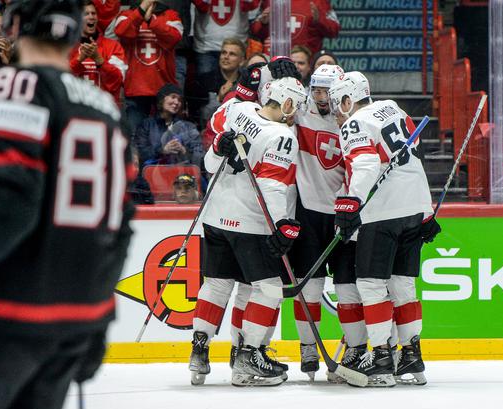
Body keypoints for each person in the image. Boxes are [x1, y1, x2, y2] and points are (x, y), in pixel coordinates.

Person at [0, 1, 134, 409]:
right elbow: (121, 223)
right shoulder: (105, 105)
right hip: (76, 316)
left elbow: (11, 202)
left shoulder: (13, 83)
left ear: (14, 27)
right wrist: (100, 319)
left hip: (13, 306)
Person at [189, 76, 307, 387]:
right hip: (251, 223)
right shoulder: (282, 136)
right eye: (295, 106)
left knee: (215, 285)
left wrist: (217, 146)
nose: (294, 113)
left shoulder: (236, 110)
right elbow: (271, 183)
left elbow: (210, 163)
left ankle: (199, 353)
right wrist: (281, 223)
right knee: (268, 288)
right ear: (287, 102)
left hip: (215, 216)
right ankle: (249, 357)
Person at [328, 71, 440, 387]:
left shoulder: (354, 123)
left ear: (348, 100)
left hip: (383, 213)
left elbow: (364, 165)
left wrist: (351, 203)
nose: (338, 111)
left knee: (371, 284)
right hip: (414, 206)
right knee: (403, 284)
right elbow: (413, 156)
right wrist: (426, 210)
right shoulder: (394, 108)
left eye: (339, 104)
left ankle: (379, 358)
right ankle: (411, 355)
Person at [288, 64, 367, 381]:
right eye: (316, 90)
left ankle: (355, 350)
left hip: (343, 215)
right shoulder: (300, 115)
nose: (321, 97)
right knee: (310, 287)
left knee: (348, 287)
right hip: (307, 212)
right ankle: (308, 347)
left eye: (327, 91)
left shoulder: (354, 123)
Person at [114, 0, 183, 136]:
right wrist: (142, 10)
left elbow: (175, 37)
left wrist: (151, 19)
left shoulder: (171, 15)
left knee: (166, 140)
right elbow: (121, 31)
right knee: (134, 138)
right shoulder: (125, 14)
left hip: (164, 89)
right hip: (135, 90)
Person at [135, 83, 204, 167]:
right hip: (153, 174)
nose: (176, 102)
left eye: (179, 100)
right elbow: (140, 154)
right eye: (173, 97)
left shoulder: (189, 127)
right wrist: (162, 150)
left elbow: (200, 156)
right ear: (162, 99)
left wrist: (184, 151)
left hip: (182, 176)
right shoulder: (146, 125)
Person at [69, 0, 127, 101]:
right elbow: (60, 79)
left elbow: (117, 83)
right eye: (86, 14)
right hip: (76, 110)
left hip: (106, 111)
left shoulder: (113, 46)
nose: (91, 17)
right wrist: (79, 59)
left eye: (93, 13)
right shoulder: (68, 46)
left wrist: (99, 60)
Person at [191, 0, 259, 78]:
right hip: (206, 47)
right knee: (205, 85)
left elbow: (251, 4)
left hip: (236, 47)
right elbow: (201, 5)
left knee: (236, 85)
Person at [250, 0, 339, 55]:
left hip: (307, 63)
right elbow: (254, 32)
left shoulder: (319, 1)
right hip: (275, 59)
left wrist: (319, 19)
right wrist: (263, 23)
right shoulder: (269, 1)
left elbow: (334, 30)